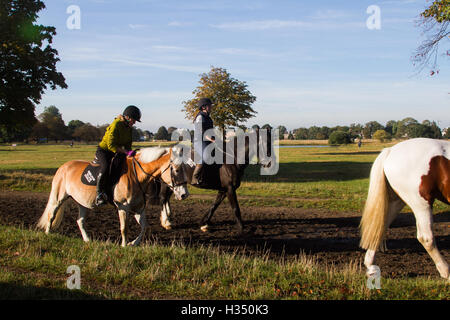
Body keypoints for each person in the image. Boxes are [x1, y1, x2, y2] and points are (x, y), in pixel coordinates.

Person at [95, 105, 141, 206]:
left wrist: (131, 153)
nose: (134, 123)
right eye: (134, 120)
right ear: (127, 117)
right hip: (104, 151)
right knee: (106, 167)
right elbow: (111, 145)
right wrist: (125, 152)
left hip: (118, 152)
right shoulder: (116, 124)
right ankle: (99, 194)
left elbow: (128, 144)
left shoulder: (129, 128)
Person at [191, 98, 215, 186]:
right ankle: (195, 177)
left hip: (207, 141)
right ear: (204, 107)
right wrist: (211, 139)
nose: (211, 107)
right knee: (205, 157)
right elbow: (202, 132)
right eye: (209, 105)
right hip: (199, 141)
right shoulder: (200, 117)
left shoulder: (208, 118)